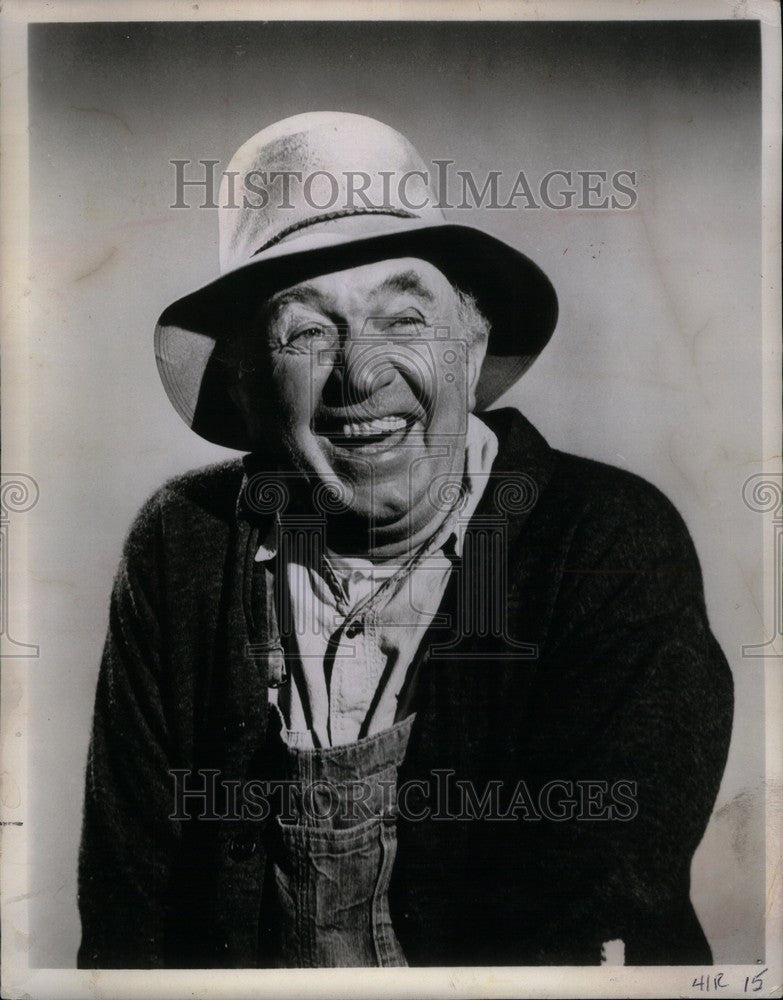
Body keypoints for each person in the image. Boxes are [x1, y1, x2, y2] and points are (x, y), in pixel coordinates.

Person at [77, 112, 733, 969]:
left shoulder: (604, 538)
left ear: (472, 338)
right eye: (307, 332)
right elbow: (130, 911)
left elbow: (590, 908)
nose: (359, 375)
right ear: (251, 376)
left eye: (403, 318)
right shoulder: (185, 543)